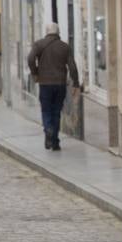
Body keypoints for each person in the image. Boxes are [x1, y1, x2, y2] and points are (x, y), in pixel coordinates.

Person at [27, 22, 81, 151]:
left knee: (46, 110)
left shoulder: (39, 44)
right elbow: (72, 66)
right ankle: (55, 142)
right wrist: (76, 83)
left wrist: (35, 73)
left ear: (47, 32)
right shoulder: (65, 47)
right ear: (58, 32)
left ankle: (48, 130)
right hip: (60, 84)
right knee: (56, 112)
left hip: (45, 83)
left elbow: (30, 58)